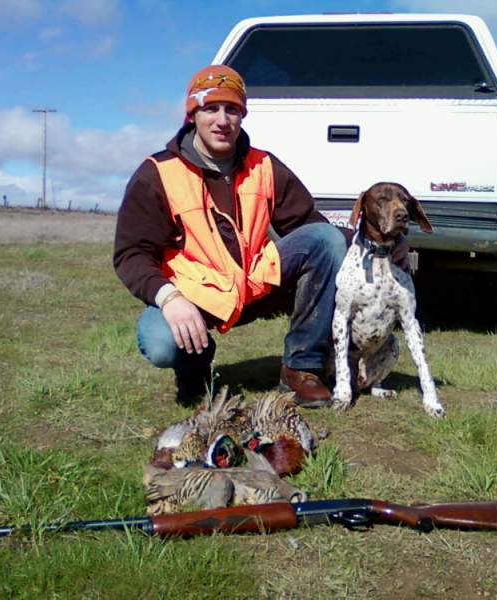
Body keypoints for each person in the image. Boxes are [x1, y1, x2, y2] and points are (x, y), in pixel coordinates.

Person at [113, 65, 347, 407]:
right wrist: (170, 299)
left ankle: (302, 369)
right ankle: (194, 367)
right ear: (192, 115)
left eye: (232, 109)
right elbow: (131, 254)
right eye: (211, 109)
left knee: (327, 240)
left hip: (255, 283)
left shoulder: (265, 166)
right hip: (194, 296)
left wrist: (376, 245)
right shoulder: (157, 173)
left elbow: (310, 228)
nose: (222, 120)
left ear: (242, 116)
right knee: (161, 341)